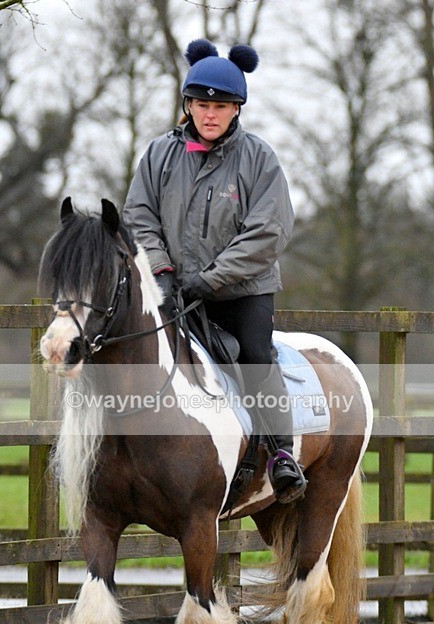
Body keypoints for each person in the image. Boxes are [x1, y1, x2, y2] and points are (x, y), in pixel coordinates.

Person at [123, 38, 306, 503]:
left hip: (242, 291)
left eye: (221, 106)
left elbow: (269, 231)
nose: (210, 114)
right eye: (202, 104)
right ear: (188, 104)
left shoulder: (260, 159)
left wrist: (212, 278)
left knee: (255, 356)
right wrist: (161, 271)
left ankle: (283, 454)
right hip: (172, 286)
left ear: (236, 110)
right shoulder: (158, 156)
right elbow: (139, 215)